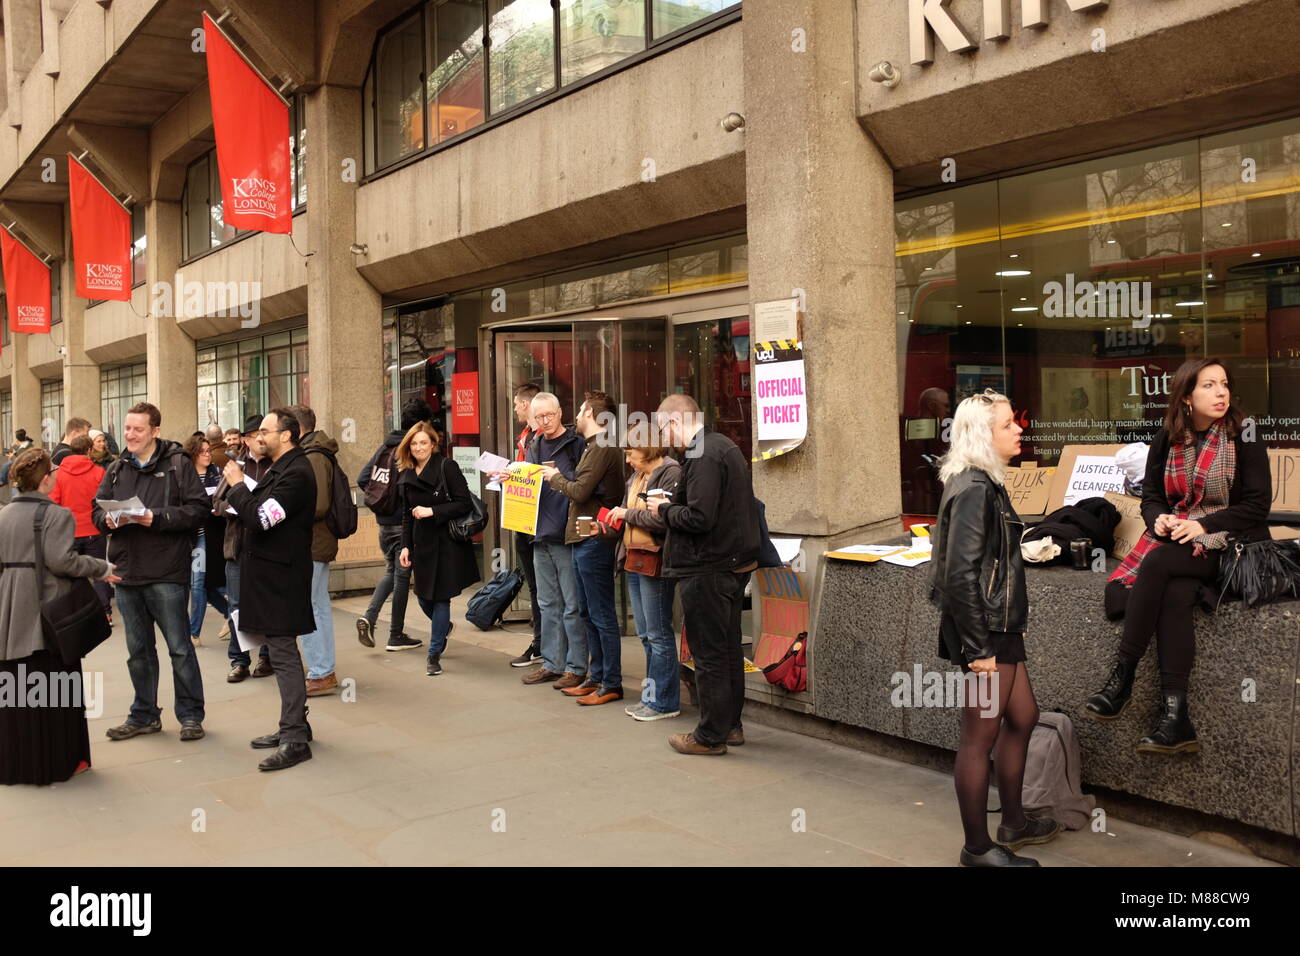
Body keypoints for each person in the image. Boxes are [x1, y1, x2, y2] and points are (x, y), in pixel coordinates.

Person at [1085, 358, 1270, 754]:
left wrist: (1204, 526)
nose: (1221, 393)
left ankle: (1123, 678)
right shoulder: (1168, 437)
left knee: (1158, 562)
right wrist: (1162, 520)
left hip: (1235, 546)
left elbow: (1257, 506)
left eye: (1224, 384)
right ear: (1187, 397)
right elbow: (1150, 497)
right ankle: (1175, 717)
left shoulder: (1244, 435)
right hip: (1183, 545)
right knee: (1175, 593)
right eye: (1209, 386)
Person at [927, 387, 1058, 867]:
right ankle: (977, 849)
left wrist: (1011, 623)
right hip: (984, 634)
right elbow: (959, 573)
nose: (1019, 428)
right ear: (984, 434)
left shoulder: (983, 481)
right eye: (1008, 424)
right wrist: (980, 647)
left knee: (1023, 718)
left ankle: (1016, 823)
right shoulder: (975, 488)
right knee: (978, 738)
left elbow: (992, 567)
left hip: (999, 628)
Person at [647, 394, 759, 755]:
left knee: (710, 655)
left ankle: (710, 736)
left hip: (707, 568)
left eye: (665, 429)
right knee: (726, 651)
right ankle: (731, 727)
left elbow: (699, 518)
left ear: (676, 421)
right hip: (727, 564)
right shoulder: (721, 446)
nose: (666, 439)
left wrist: (664, 509)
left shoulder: (702, 454)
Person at [92, 402, 210, 743]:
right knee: (138, 652)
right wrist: (110, 519)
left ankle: (190, 716)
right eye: (127, 428)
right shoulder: (115, 469)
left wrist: (155, 518)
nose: (129, 434)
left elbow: (198, 510)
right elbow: (96, 513)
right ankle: (143, 714)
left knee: (179, 648)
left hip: (167, 573)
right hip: (127, 573)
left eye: (137, 429)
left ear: (154, 432)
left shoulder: (177, 464)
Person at [0, 449, 119, 785]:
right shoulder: (56, 514)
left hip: (11, 611)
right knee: (57, 686)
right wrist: (101, 568)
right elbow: (62, 562)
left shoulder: (3, 514)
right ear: (46, 479)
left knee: (15, 688)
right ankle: (61, 761)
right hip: (47, 611)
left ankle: (16, 765)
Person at [224, 408, 318, 771]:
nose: (257, 436)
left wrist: (235, 486)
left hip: (282, 580)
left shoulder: (297, 473)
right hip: (268, 577)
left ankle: (294, 738)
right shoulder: (279, 469)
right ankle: (294, 726)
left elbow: (262, 519)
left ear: (287, 435)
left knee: (283, 654)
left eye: (265, 430)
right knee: (279, 652)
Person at [540, 390, 626, 705]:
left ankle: (610, 682)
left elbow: (579, 490)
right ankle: (597, 676)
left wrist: (555, 477)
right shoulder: (595, 446)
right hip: (583, 539)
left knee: (600, 614)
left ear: (590, 412)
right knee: (589, 612)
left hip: (594, 539)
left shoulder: (602, 446)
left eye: (578, 410)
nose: (575, 416)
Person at [396, 422, 480, 675]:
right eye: (414, 443)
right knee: (423, 597)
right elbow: (406, 515)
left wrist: (432, 511)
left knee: (440, 598)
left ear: (433, 444)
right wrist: (404, 546)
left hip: (446, 543)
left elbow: (464, 503)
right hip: (421, 544)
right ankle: (442, 628)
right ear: (408, 447)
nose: (419, 447)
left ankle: (434, 655)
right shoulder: (407, 474)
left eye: (424, 442)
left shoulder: (447, 467)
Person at [518, 392, 587, 687]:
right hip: (540, 534)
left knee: (572, 605)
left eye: (549, 415)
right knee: (547, 603)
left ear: (560, 413)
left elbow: (584, 484)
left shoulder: (576, 445)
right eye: (539, 417)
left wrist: (560, 474)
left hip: (566, 534)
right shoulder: (533, 445)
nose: (544, 421)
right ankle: (552, 662)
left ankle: (576, 666)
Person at [608, 441, 681, 720]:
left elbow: (662, 519)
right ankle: (651, 698)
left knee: (658, 635)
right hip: (635, 556)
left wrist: (628, 514)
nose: (628, 460)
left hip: (656, 559)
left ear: (647, 450)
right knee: (646, 635)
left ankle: (664, 702)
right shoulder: (638, 477)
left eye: (631, 454)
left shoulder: (670, 472)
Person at [354, 398, 431, 653]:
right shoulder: (409, 449)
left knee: (393, 573)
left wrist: (382, 501)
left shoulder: (384, 447)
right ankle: (394, 634)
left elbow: (363, 478)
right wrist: (399, 504)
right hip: (402, 523)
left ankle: (371, 619)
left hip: (383, 523)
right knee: (400, 579)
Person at [214, 414, 273, 682]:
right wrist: (234, 507)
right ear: (247, 440)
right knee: (236, 605)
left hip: (267, 546)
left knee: (267, 602)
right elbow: (217, 501)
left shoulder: (278, 465)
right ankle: (239, 661)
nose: (260, 439)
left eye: (264, 434)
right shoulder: (236, 465)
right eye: (255, 435)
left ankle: (266, 657)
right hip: (238, 545)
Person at [292, 405, 343, 696]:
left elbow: (318, 504)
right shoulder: (316, 452)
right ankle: (324, 669)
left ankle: (321, 671)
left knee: (310, 607)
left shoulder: (312, 456)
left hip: (312, 542)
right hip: (316, 542)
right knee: (318, 605)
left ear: (296, 429)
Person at [48, 434, 113, 624]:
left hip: (69, 533)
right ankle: (105, 612)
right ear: (89, 450)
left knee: (70, 574)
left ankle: (74, 614)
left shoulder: (59, 474)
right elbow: (104, 501)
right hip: (94, 530)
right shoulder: (98, 472)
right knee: (99, 571)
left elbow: (54, 502)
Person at [507, 383, 544, 667]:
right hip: (523, 516)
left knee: (541, 586)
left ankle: (542, 643)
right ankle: (541, 641)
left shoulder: (541, 437)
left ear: (526, 405)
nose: (516, 409)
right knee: (535, 585)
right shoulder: (526, 435)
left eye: (517, 404)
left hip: (538, 519)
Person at [182, 435, 229, 644]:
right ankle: (229, 614)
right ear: (194, 454)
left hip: (213, 536)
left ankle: (194, 632)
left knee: (204, 583)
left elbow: (226, 500)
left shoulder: (217, 474)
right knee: (201, 584)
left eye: (209, 451)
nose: (208, 455)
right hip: (193, 537)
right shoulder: (185, 476)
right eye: (203, 451)